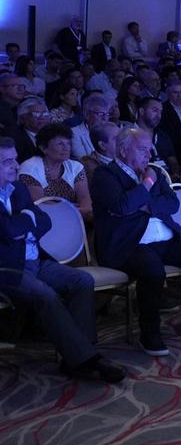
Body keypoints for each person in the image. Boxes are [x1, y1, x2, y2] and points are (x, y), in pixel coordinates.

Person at [90, 127, 181, 356]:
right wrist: (145, 186)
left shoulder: (154, 171)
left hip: (165, 239)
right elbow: (121, 206)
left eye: (149, 148)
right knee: (153, 270)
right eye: (143, 149)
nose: (149, 153)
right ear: (124, 150)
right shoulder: (105, 175)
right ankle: (150, 333)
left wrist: (143, 204)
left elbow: (172, 203)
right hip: (129, 245)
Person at [0, 137, 125, 383]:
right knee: (46, 295)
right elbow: (8, 230)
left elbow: (44, 221)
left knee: (81, 280)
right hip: (8, 268)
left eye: (14, 159)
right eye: (7, 162)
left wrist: (21, 223)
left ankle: (77, 356)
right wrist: (25, 221)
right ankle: (89, 359)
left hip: (36, 261)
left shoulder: (17, 189)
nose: (15, 165)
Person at [19, 123, 92, 221]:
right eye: (60, 144)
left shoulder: (75, 166)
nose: (66, 148)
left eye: (68, 143)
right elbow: (42, 206)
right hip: (44, 222)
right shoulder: (29, 168)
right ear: (43, 148)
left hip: (76, 218)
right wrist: (75, 210)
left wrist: (82, 211)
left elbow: (85, 200)